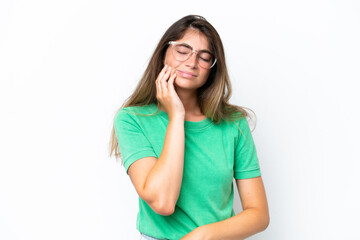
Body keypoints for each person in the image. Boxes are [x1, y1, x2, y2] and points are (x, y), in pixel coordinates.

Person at [109, 14, 269, 240]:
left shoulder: (233, 124)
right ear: (164, 52)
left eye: (204, 57)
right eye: (182, 51)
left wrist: (202, 236)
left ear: (212, 68)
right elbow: (163, 203)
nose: (192, 62)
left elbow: (259, 214)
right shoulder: (132, 119)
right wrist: (176, 116)